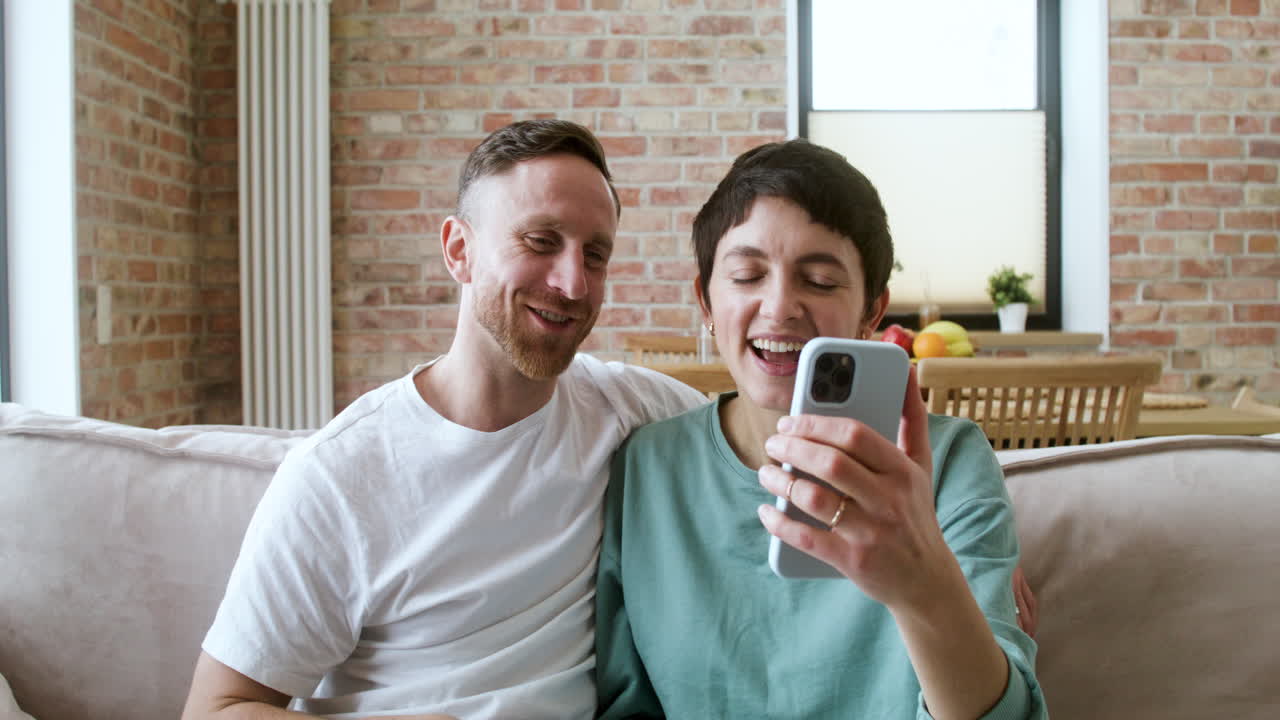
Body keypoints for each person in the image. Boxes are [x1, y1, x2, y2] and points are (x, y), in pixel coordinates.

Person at [181, 120, 707, 720]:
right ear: (460, 251)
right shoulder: (339, 474)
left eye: (596, 254)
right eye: (540, 241)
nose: (573, 282)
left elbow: (752, 438)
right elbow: (217, 708)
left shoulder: (627, 410)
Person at [595, 140, 1048, 719]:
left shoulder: (947, 460)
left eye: (821, 280)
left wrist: (925, 587)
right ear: (705, 301)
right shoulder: (647, 467)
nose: (780, 306)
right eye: (746, 274)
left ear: (871, 309)